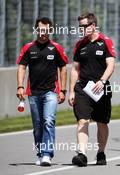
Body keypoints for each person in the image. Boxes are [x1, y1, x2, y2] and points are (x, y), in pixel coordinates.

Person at [16, 17, 68, 166]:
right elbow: (21, 67)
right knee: (37, 126)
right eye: (40, 30)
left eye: (46, 30)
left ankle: (47, 154)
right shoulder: (28, 48)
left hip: (51, 91)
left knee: (48, 121)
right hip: (33, 93)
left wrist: (63, 90)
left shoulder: (56, 48)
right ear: (36, 30)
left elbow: (63, 68)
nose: (43, 33)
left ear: (50, 30)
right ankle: (40, 153)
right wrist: (20, 86)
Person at [68, 12, 115, 167]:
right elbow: (75, 69)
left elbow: (111, 65)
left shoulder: (105, 42)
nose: (81, 29)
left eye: (84, 26)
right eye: (80, 26)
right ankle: (82, 154)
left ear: (93, 26)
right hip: (83, 88)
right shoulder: (79, 45)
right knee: (83, 120)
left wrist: (102, 81)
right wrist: (72, 91)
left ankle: (101, 152)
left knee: (102, 122)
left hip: (101, 87)